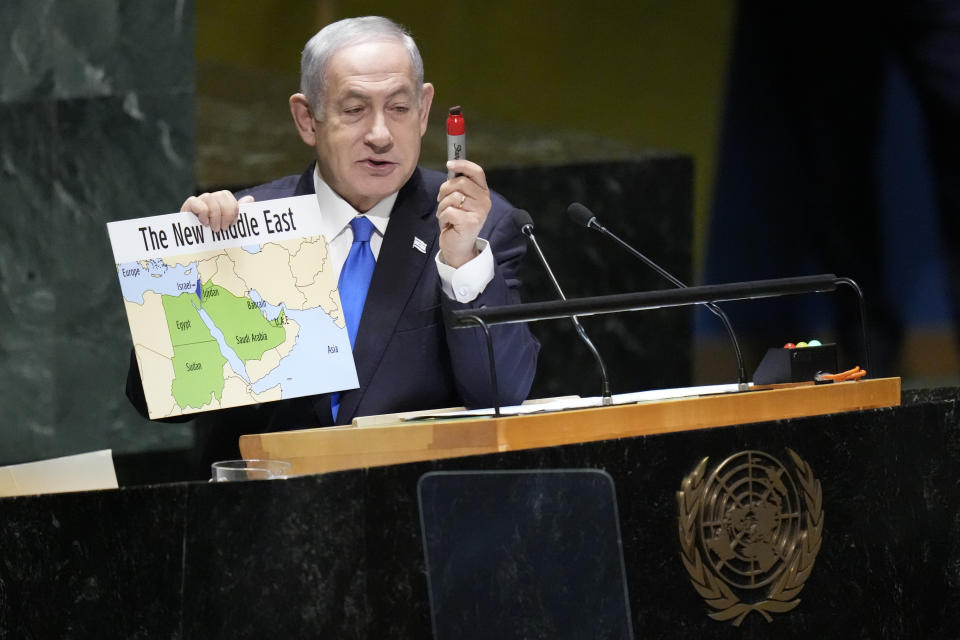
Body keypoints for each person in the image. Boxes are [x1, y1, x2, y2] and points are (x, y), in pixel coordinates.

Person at [125, 16, 539, 451]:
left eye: (399, 108)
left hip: (412, 499)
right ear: (307, 119)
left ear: (423, 112)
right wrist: (191, 272)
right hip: (268, 502)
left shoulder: (477, 225)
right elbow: (153, 402)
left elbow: (502, 396)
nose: (380, 135)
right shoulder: (245, 225)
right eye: (355, 110)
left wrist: (461, 263)